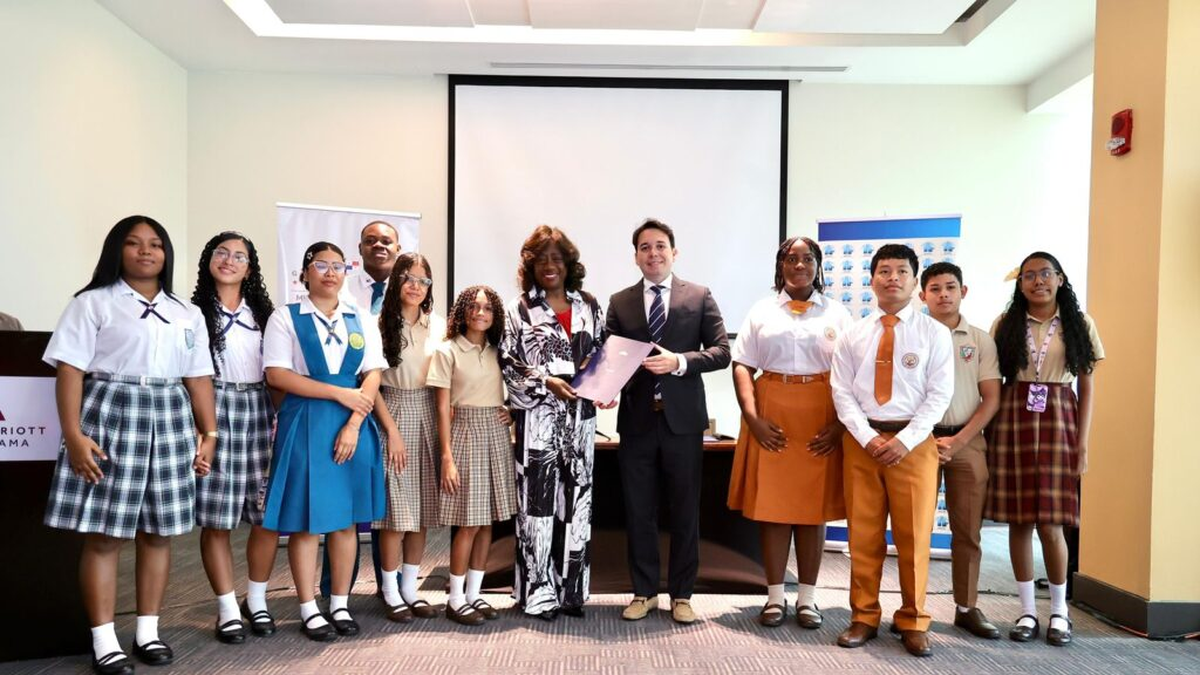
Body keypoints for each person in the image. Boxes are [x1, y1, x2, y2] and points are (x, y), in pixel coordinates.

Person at [43, 215, 217, 675]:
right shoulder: (92, 303)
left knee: (158, 532)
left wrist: (210, 434)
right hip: (110, 412)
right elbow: (70, 372)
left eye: (155, 244)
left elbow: (198, 377)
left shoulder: (187, 312)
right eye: (134, 243)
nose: (146, 251)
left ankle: (147, 631)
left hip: (170, 415)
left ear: (166, 254)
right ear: (116, 250)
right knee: (105, 534)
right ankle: (103, 640)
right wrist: (74, 435)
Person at [260, 241, 394, 641]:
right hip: (306, 421)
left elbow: (372, 374)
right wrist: (339, 394)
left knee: (346, 520)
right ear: (304, 274)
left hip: (355, 421)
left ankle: (339, 603)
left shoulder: (360, 317)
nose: (331, 272)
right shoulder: (286, 317)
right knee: (305, 522)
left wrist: (354, 421)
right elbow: (277, 376)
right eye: (321, 265)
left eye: (338, 266)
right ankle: (307, 608)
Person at [605, 219, 730, 625]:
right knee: (639, 511)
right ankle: (643, 592)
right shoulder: (620, 301)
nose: (653, 253)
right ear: (636, 255)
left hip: (683, 423)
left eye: (660, 246)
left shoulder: (698, 295)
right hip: (637, 422)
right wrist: (605, 385)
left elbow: (721, 351)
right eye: (645, 247)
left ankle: (682, 595)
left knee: (683, 512)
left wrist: (679, 362)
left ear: (674, 252)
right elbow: (611, 358)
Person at [830, 244, 952, 658]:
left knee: (914, 536)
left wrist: (905, 439)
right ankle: (863, 616)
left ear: (915, 282)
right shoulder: (854, 333)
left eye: (902, 271)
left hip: (914, 445)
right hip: (863, 444)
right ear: (872, 280)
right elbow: (841, 392)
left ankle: (914, 619)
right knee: (863, 536)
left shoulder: (934, 333)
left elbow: (940, 395)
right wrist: (868, 438)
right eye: (884, 271)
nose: (893, 278)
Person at [727, 236, 850, 629]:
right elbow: (742, 364)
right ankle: (776, 598)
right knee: (775, 512)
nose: (799, 265)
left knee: (812, 513)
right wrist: (752, 417)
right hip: (771, 412)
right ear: (780, 265)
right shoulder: (761, 311)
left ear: (818, 265)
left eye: (807, 258)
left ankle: (809, 601)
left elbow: (851, 373)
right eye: (791, 258)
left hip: (822, 414)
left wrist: (840, 425)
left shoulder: (838, 313)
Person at [987, 251, 1102, 647]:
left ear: (1061, 279)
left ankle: (1059, 612)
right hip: (1013, 416)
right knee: (1018, 521)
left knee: (1052, 523)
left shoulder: (1079, 323)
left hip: (1059, 417)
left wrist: (1082, 444)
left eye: (1046, 274)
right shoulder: (1005, 323)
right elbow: (993, 380)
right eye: (1029, 276)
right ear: (1020, 284)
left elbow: (1087, 388)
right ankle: (1026, 612)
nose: (1038, 281)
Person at [500, 225, 608, 622]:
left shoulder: (589, 305)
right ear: (530, 265)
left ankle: (572, 593)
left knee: (577, 505)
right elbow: (508, 362)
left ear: (569, 265)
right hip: (538, 421)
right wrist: (546, 381)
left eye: (557, 258)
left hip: (581, 419)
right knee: (538, 509)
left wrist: (605, 385)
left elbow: (600, 354)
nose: (549, 266)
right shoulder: (518, 309)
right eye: (541, 259)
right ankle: (538, 594)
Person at [190, 232, 281, 643]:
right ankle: (227, 608)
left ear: (250, 267)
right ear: (208, 260)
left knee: (267, 513)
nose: (229, 261)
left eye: (239, 256)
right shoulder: (190, 313)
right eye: (221, 253)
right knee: (217, 518)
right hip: (214, 407)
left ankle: (257, 600)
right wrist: (199, 428)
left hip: (261, 408)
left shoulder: (265, 314)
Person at [918, 262, 1002, 639]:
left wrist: (958, 441)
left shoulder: (981, 340)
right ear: (922, 296)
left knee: (967, 531)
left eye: (950, 287)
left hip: (967, 441)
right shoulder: (912, 335)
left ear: (963, 292)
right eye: (934, 289)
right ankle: (912, 607)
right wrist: (925, 436)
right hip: (919, 440)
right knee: (915, 529)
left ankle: (967, 607)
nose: (943, 295)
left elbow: (991, 399)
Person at [322, 219, 402, 598]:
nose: (379, 246)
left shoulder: (410, 291)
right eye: (371, 241)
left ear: (398, 249)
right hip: (349, 401)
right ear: (360, 249)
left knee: (394, 503)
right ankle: (338, 591)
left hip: (398, 402)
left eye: (387, 241)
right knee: (344, 501)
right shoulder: (343, 290)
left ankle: (394, 587)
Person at [429, 285, 517, 626]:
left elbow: (516, 390)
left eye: (487, 309)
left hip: (496, 434)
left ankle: (474, 594)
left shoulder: (499, 352)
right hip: (463, 431)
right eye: (473, 307)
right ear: (462, 312)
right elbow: (441, 407)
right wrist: (447, 456)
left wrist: (510, 410)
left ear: (495, 316)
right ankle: (454, 598)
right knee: (467, 522)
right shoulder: (447, 350)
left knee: (487, 523)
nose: (480, 313)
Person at [373, 252, 443, 622]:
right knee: (394, 514)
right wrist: (392, 432)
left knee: (420, 512)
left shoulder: (438, 325)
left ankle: (410, 589)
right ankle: (388, 590)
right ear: (397, 281)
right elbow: (370, 386)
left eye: (423, 280)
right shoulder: (379, 324)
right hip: (392, 412)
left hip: (429, 414)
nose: (416, 286)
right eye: (409, 278)